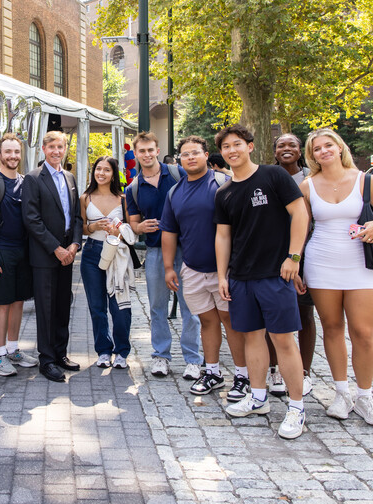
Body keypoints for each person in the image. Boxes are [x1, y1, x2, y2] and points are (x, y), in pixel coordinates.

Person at [214, 124, 309, 439]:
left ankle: (296, 409)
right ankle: (258, 398)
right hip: (241, 277)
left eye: (237, 144)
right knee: (252, 338)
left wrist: (293, 257)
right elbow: (223, 236)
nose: (232, 150)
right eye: (226, 147)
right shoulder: (224, 192)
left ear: (250, 146)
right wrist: (222, 275)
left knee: (283, 340)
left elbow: (300, 214)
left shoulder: (273, 176)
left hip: (276, 274)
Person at [161, 136, 249, 401]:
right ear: (179, 160)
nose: (190, 157)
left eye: (195, 153)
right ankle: (212, 371)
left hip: (227, 272)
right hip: (193, 269)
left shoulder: (224, 183)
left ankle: (243, 376)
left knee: (231, 322)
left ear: (206, 155)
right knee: (207, 321)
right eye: (184, 154)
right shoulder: (175, 192)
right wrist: (168, 267)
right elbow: (169, 231)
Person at [300, 128, 373, 424]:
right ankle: (341, 393)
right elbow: (301, 229)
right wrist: (295, 262)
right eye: (317, 149)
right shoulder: (307, 185)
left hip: (359, 264)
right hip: (321, 262)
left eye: (328, 145)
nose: (323, 151)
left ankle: (365, 395)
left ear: (339, 147)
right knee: (331, 327)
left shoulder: (365, 181)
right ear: (312, 155)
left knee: (363, 333)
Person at [126, 131, 202, 379]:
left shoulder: (179, 174)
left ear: (157, 151)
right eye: (142, 151)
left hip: (187, 249)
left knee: (190, 307)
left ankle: (193, 359)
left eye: (150, 150)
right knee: (158, 306)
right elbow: (133, 224)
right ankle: (161, 357)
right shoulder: (134, 188)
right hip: (156, 251)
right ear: (135, 154)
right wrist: (140, 227)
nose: (146, 155)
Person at [21, 131, 83, 383]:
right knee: (45, 308)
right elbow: (31, 219)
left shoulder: (69, 177)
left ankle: (60, 353)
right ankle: (46, 359)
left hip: (68, 254)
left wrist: (75, 245)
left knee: (62, 306)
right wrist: (55, 247)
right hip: (46, 256)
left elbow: (77, 216)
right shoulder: (34, 178)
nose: (57, 151)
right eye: (52, 147)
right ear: (44, 149)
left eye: (61, 147)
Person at [0, 134, 37, 377]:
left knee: (18, 303)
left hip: (23, 251)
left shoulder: (26, 182)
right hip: (0, 251)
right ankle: (0, 355)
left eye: (16, 151)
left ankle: (13, 349)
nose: (13, 156)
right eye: (8, 152)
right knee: (1, 305)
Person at [268, 134, 316, 397]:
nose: (286, 149)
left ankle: (305, 372)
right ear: (274, 151)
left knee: (304, 313)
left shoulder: (311, 179)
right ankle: (275, 369)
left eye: (292, 145)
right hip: (274, 254)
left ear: (301, 151)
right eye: (281, 145)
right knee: (272, 315)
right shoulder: (267, 177)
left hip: (306, 254)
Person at [80, 156, 133, 369]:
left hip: (117, 255)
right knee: (97, 306)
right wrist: (93, 228)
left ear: (114, 174)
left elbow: (130, 227)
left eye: (107, 170)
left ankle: (122, 352)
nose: (101, 173)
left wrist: (117, 230)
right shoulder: (85, 198)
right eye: (98, 169)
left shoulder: (123, 198)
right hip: (92, 253)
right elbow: (81, 227)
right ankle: (103, 350)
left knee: (120, 305)